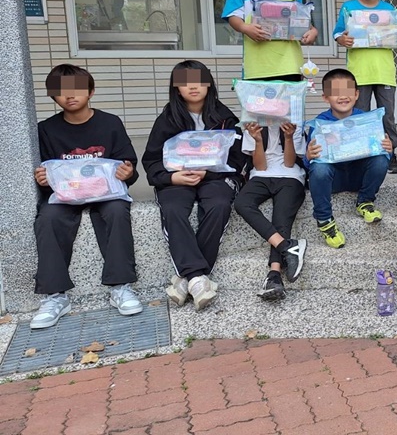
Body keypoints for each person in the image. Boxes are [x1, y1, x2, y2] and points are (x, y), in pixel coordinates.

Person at [30, 65, 143, 329]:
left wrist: (127, 172)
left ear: (91, 91)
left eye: (77, 89)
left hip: (106, 193)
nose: (69, 95)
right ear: (53, 95)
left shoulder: (110, 123)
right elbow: (44, 171)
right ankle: (55, 296)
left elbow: (129, 166)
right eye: (61, 91)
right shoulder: (45, 129)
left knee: (117, 211)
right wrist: (43, 179)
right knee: (48, 217)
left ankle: (121, 286)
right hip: (65, 195)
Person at [142, 61, 246, 311]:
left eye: (199, 81)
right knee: (173, 209)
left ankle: (187, 278)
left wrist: (210, 172)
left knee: (219, 205)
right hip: (177, 179)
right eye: (185, 82)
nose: (193, 87)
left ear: (209, 83)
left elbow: (238, 159)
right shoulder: (167, 120)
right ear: (176, 87)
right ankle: (198, 279)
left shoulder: (225, 118)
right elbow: (151, 161)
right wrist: (171, 178)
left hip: (216, 178)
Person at [333, 0, 397, 175]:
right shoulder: (349, 7)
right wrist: (341, 39)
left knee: (387, 115)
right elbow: (338, 32)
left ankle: (390, 153)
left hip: (384, 72)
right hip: (359, 73)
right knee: (360, 115)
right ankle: (363, 153)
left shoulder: (389, 10)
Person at [305, 68, 392, 249]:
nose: (343, 97)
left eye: (347, 92)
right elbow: (310, 163)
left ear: (356, 94)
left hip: (358, 177)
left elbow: (380, 152)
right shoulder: (320, 123)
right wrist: (308, 156)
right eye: (336, 93)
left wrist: (387, 149)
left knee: (381, 160)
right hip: (333, 179)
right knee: (319, 168)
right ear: (325, 97)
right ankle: (324, 219)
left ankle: (365, 201)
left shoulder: (367, 120)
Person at [233, 120, 308, 301]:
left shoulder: (294, 122)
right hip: (261, 176)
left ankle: (274, 274)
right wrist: (257, 139)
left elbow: (289, 163)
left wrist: (289, 137)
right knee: (242, 203)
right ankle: (287, 246)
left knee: (281, 217)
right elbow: (260, 167)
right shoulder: (252, 122)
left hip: (290, 176)